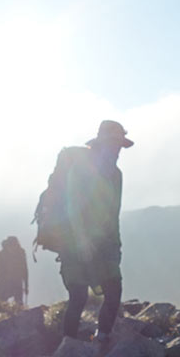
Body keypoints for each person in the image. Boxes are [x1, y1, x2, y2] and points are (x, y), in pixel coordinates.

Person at [57, 120, 133, 344]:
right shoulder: (80, 170)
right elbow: (72, 207)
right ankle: (67, 347)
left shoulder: (116, 174)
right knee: (78, 296)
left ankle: (103, 339)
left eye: (120, 145)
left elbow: (113, 213)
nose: (118, 150)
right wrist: (81, 240)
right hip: (75, 245)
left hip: (105, 245)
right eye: (114, 144)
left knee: (113, 292)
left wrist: (116, 245)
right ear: (102, 144)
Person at [0, 236, 29, 305]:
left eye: (14, 246)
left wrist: (26, 286)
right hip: (6, 281)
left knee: (18, 301)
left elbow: (25, 270)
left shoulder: (20, 254)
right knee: (2, 301)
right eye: (11, 246)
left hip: (16, 281)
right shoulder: (3, 255)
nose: (13, 248)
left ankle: (19, 312)